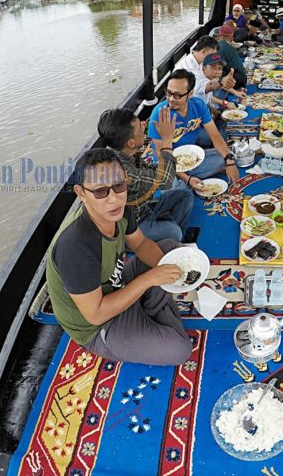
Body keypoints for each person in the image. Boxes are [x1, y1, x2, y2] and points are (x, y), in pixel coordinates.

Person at [45, 148, 192, 365]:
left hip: (117, 286)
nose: (113, 199)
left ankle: (146, 311)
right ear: (81, 193)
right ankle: (148, 312)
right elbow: (95, 315)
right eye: (100, 191)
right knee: (180, 350)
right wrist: (150, 279)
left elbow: (141, 243)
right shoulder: (75, 245)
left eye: (119, 186)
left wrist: (175, 272)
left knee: (171, 249)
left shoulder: (120, 210)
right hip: (99, 324)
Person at [98, 108, 194, 243]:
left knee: (185, 196)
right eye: (139, 127)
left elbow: (152, 171)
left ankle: (162, 231)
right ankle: (138, 243)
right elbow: (165, 181)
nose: (144, 126)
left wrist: (169, 164)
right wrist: (167, 141)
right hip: (135, 222)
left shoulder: (125, 151)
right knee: (175, 233)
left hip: (145, 206)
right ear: (130, 142)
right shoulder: (122, 172)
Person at [147, 69, 240, 183]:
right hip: (167, 163)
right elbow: (160, 154)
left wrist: (229, 162)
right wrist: (188, 179)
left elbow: (215, 135)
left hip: (189, 157)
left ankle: (195, 175)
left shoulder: (198, 105)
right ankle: (188, 179)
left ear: (190, 94)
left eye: (177, 95)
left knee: (229, 157)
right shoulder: (159, 114)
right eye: (169, 93)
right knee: (176, 189)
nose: (171, 99)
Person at [174, 35, 218, 102]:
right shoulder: (190, 69)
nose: (213, 57)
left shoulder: (198, 60)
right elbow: (206, 87)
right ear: (203, 51)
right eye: (212, 54)